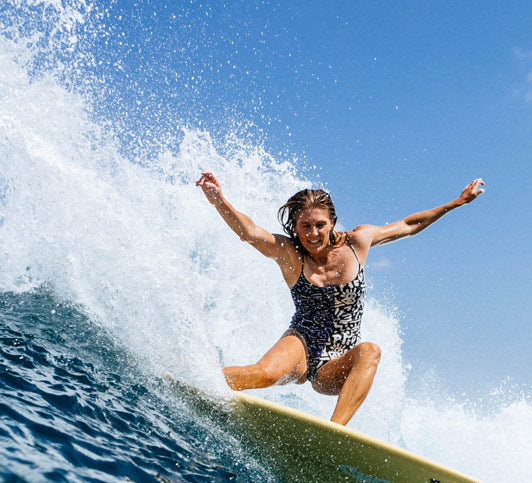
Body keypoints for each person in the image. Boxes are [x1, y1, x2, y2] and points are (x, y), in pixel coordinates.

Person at [196, 172, 485, 426]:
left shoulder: (358, 242)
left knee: (370, 351)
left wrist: (456, 203)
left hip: (337, 360)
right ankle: (198, 378)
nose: (313, 233)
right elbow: (250, 232)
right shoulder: (289, 252)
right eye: (305, 226)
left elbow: (410, 224)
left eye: (320, 224)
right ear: (295, 227)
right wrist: (218, 200)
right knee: (265, 374)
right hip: (302, 341)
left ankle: (334, 432)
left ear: (332, 222)